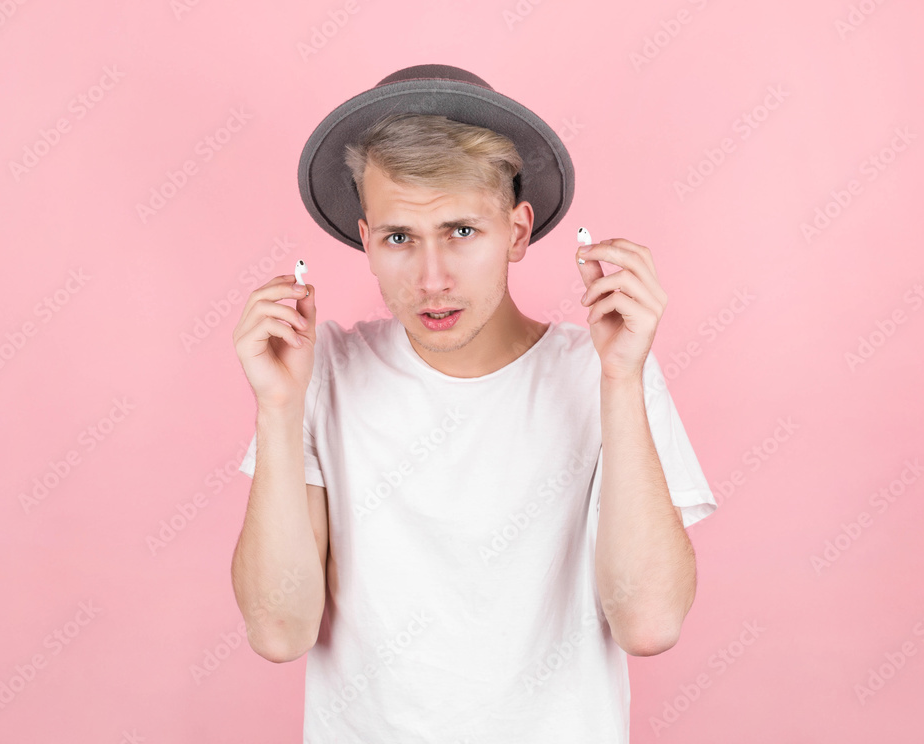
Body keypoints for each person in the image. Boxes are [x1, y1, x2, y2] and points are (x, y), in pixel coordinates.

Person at [230, 64, 717, 743]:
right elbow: (279, 632)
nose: (432, 279)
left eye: (461, 231)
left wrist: (621, 378)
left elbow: (651, 623)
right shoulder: (321, 372)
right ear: (367, 241)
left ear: (516, 232)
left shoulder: (602, 369)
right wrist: (278, 408)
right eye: (400, 237)